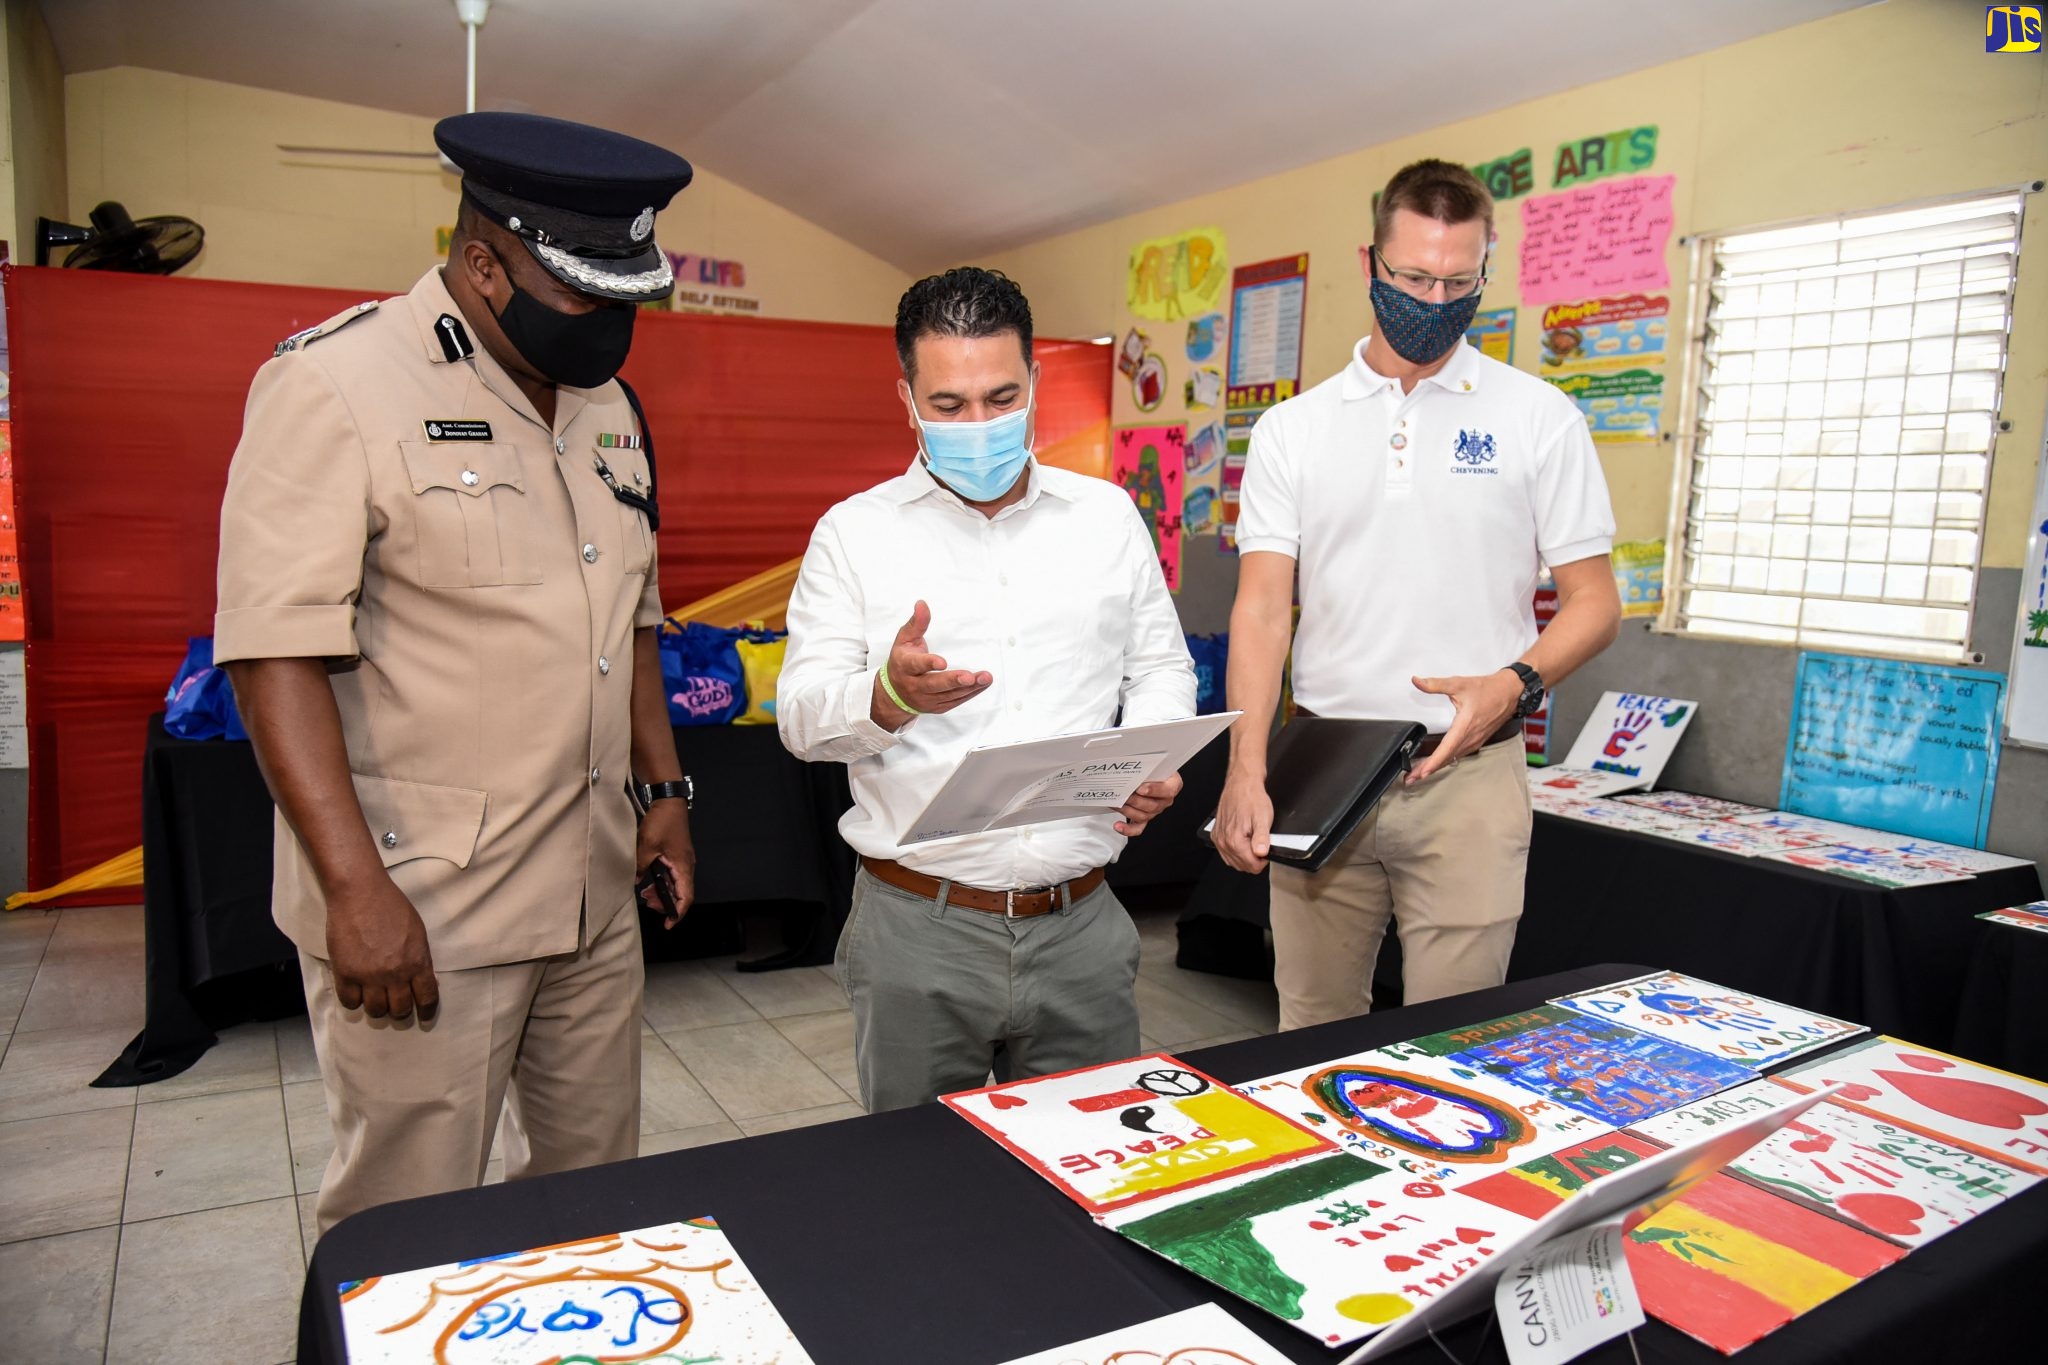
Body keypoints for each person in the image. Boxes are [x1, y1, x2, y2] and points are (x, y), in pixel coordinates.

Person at [215, 112, 698, 1233]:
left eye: (629, 298)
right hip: (426, 909)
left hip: (589, 887)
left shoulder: (606, 408)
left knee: (593, 1200)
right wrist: (353, 892)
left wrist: (663, 798)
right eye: (588, 295)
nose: (612, 327)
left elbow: (628, 619)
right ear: (484, 263)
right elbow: (271, 653)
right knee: (405, 1222)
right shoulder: (335, 386)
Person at [1213, 158, 1621, 1029]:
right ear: (1371, 260)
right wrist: (1245, 770)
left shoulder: (1539, 415)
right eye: (1412, 277)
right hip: (1323, 770)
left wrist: (1512, 682)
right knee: (1310, 1035)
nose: (1433, 300)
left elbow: (1595, 601)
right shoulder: (1294, 429)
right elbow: (1259, 610)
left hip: (1469, 777)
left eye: (1457, 280)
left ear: (1485, 270)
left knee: (1458, 1047)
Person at [778, 267, 1197, 1112]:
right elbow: (799, 716)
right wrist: (888, 697)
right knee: (923, 1195)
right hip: (919, 929)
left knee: (1094, 1179)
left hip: (1082, 922)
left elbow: (1158, 665)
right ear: (906, 398)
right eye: (950, 404)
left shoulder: (1107, 517)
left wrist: (1152, 754)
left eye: (1002, 398)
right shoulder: (853, 535)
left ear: (1037, 382)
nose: (979, 425)